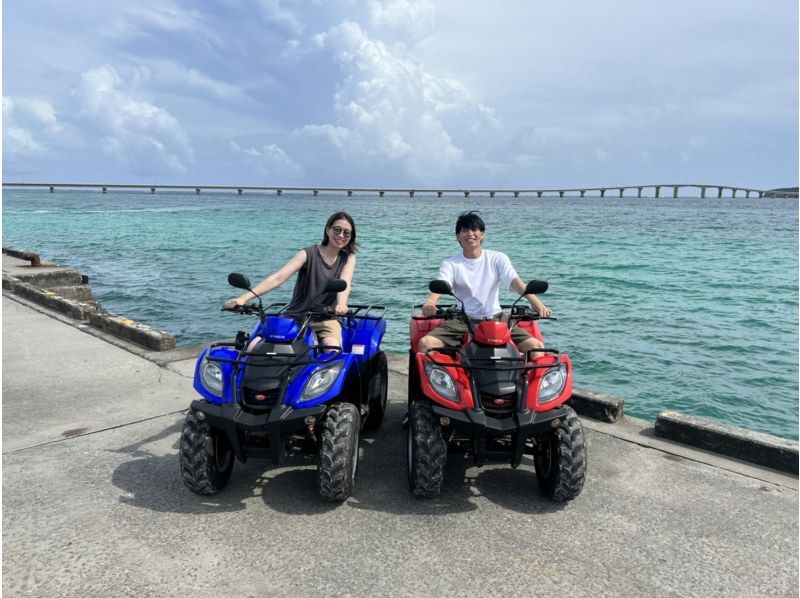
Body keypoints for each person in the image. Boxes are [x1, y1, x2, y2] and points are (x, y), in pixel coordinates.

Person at [418, 210, 551, 356]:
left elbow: (515, 281)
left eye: (474, 229)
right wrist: (430, 302)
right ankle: (443, 378)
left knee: (536, 347)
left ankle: (522, 378)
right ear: (458, 236)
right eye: (465, 230)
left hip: (497, 318)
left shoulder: (497, 258)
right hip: (462, 319)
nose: (470, 234)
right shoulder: (451, 263)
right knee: (426, 344)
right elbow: (442, 283)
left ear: (482, 234)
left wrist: (536, 302)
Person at [223, 211, 358, 348]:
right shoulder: (308, 254)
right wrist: (243, 299)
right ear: (328, 230)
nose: (341, 235)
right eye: (337, 230)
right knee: (254, 346)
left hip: (328, 318)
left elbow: (344, 284)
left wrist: (341, 304)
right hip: (296, 315)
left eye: (346, 232)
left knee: (332, 346)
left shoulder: (348, 258)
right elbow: (278, 278)